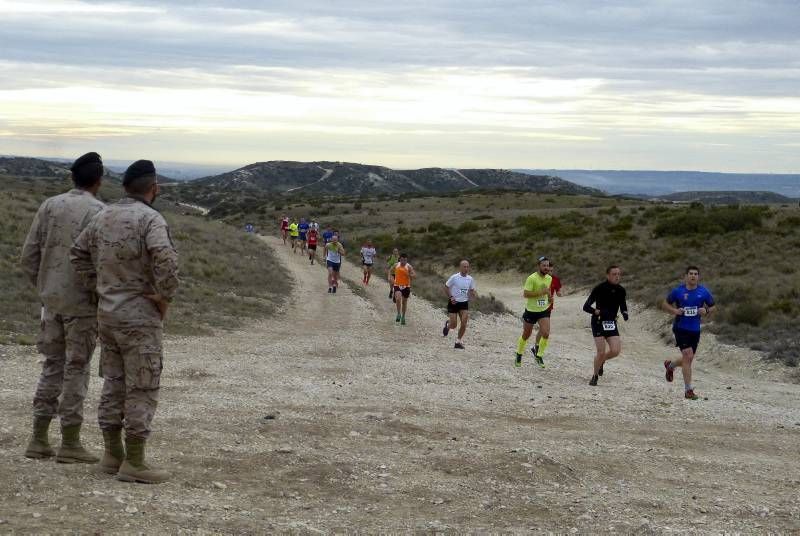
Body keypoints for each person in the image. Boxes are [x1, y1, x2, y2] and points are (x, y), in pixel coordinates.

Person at [71, 159, 179, 484]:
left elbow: (77, 254)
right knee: (143, 385)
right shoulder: (151, 219)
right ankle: (135, 461)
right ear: (153, 188)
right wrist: (164, 296)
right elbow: (166, 259)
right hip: (139, 317)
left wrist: (99, 287)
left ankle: (111, 454)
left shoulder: (103, 215)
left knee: (114, 383)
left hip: (108, 315)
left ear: (125, 187)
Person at [19, 152, 107, 464]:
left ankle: (39, 438)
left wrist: (44, 287)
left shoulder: (49, 206)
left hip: (51, 301)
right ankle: (70, 441)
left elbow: (29, 255)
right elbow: (102, 264)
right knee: (77, 369)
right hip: (83, 306)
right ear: (98, 181)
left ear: (73, 178)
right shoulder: (100, 212)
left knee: (51, 366)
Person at [661, 266, 716, 400]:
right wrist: (674, 311)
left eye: (696, 274)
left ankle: (671, 365)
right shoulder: (678, 291)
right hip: (681, 328)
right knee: (688, 355)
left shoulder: (704, 292)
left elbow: (714, 306)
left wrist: (707, 311)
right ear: (686, 276)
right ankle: (688, 390)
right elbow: (665, 304)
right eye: (690, 274)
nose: (693, 276)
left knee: (688, 359)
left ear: (698, 277)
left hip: (695, 330)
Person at [583, 265, 629, 386]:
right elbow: (586, 306)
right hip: (598, 322)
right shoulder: (599, 288)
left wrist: (625, 312)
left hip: (611, 323)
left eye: (619, 274)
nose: (617, 276)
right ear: (607, 275)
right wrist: (595, 311)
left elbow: (622, 304)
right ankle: (595, 376)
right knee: (601, 352)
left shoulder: (621, 290)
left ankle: (601, 361)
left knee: (615, 351)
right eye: (614, 274)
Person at [514, 256, 552, 368]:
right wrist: (541, 292)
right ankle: (519, 354)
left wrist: (549, 297)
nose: (546, 268)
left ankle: (539, 355)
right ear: (539, 266)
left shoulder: (549, 278)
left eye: (548, 266)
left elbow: (547, 291)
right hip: (531, 311)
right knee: (526, 335)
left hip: (543, 310)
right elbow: (526, 294)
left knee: (546, 333)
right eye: (544, 265)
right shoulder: (532, 278)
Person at [442, 260, 477, 349]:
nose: (466, 268)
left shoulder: (470, 279)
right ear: (460, 267)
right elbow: (446, 287)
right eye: (464, 267)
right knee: (454, 325)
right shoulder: (454, 277)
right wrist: (451, 297)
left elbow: (472, 290)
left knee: (464, 323)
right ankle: (448, 325)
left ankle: (458, 342)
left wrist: (473, 295)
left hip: (464, 303)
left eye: (467, 267)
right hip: (454, 302)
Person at [535, 262, 563, 351]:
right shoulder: (539, 278)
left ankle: (536, 346)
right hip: (537, 305)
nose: (550, 272)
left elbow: (558, 292)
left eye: (552, 270)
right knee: (543, 328)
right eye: (548, 270)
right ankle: (536, 346)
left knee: (543, 329)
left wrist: (560, 293)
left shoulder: (555, 279)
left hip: (548, 307)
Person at [392, 253, 416, 325]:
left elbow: (414, 275)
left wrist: (409, 274)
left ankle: (403, 317)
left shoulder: (409, 267)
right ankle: (398, 314)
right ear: (400, 259)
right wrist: (390, 277)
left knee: (404, 302)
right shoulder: (396, 265)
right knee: (398, 299)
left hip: (406, 286)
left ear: (406, 260)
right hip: (397, 285)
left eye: (405, 260)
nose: (403, 262)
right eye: (402, 260)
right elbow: (390, 271)